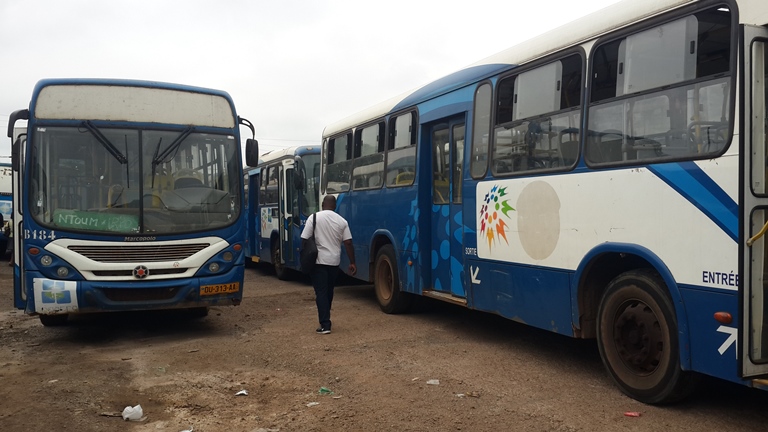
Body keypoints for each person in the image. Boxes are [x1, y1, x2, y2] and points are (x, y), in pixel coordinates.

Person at [301, 195, 356, 334]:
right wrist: (352, 262)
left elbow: (304, 239)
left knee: (321, 292)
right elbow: (348, 242)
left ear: (322, 204)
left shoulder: (313, 218)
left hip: (318, 261)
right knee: (329, 291)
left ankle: (325, 324)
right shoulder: (342, 221)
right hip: (334, 262)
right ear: (335, 206)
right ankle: (326, 317)